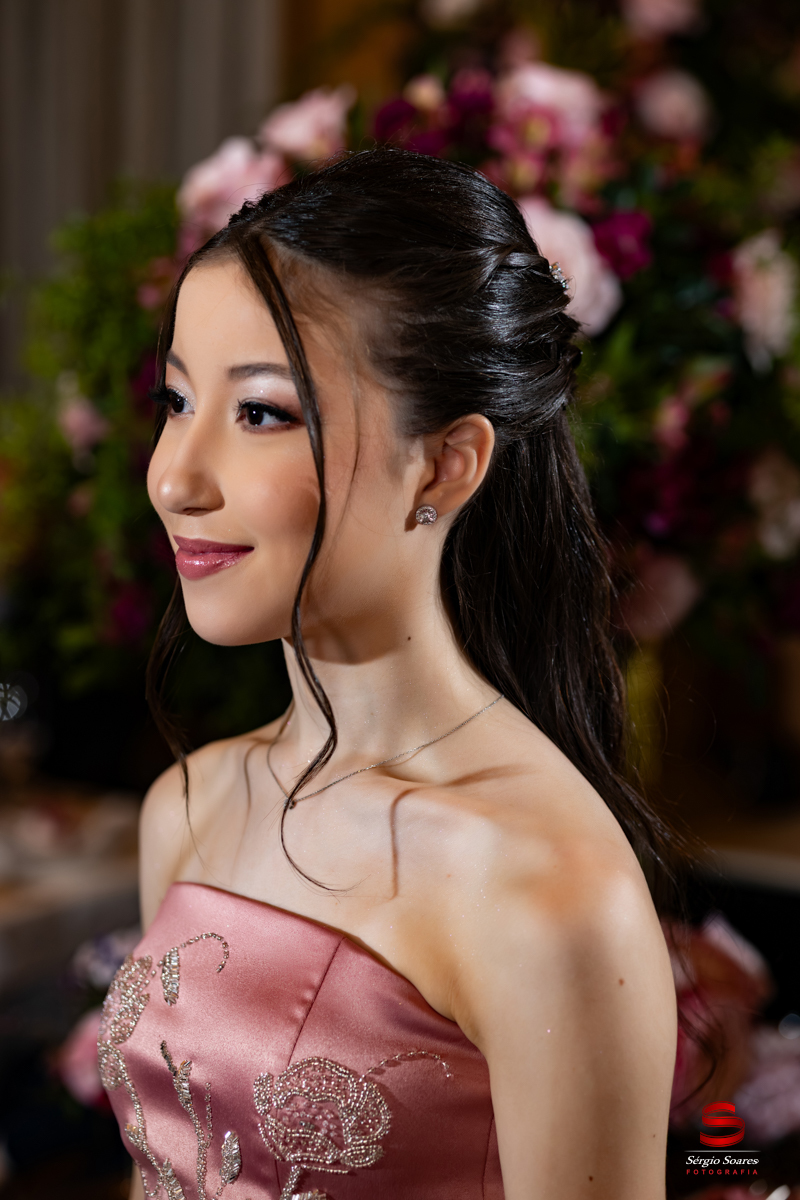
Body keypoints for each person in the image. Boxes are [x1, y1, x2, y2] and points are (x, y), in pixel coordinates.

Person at [100, 148, 677, 1200]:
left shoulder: (546, 889)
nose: (174, 478)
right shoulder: (190, 807)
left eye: (262, 413)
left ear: (445, 464)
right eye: (175, 401)